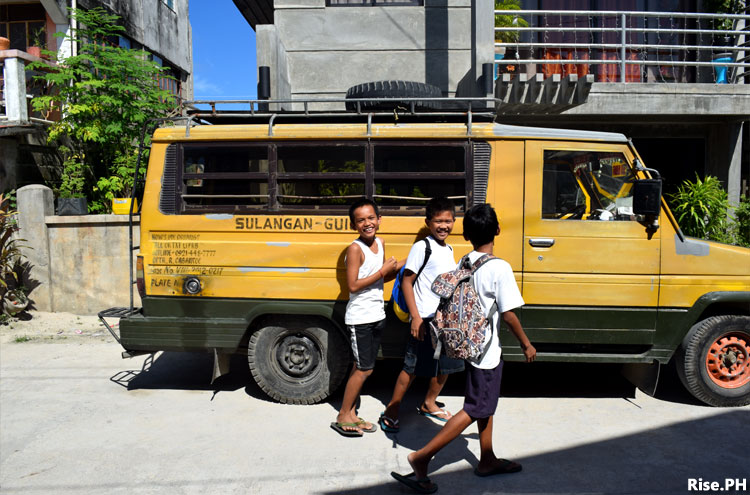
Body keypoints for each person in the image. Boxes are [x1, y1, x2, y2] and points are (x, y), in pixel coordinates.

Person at [390, 203, 536, 493]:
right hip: (486, 352)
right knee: (475, 407)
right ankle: (421, 459)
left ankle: (487, 458)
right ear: (497, 230)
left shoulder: (466, 261)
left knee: (485, 404)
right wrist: (526, 344)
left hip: (468, 345)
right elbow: (508, 314)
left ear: (466, 234)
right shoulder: (499, 267)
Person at [379, 197, 465, 434]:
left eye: (448, 221)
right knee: (412, 368)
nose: (444, 226)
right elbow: (407, 282)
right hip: (424, 319)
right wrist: (416, 317)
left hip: (444, 320)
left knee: (445, 367)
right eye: (438, 221)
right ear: (428, 222)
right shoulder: (422, 247)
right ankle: (391, 411)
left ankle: (429, 403)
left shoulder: (448, 249)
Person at [331, 198, 399, 438]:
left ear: (379, 220)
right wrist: (383, 271)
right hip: (360, 318)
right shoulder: (354, 249)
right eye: (361, 220)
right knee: (364, 369)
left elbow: (380, 279)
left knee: (360, 366)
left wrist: (403, 266)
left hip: (377, 314)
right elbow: (353, 285)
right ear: (354, 225)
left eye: (371, 218)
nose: (367, 223)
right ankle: (342, 416)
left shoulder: (380, 243)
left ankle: (351, 414)